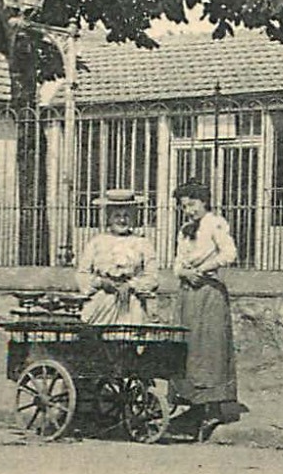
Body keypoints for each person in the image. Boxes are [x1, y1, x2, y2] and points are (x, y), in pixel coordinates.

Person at [168, 181, 242, 442]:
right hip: (188, 293)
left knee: (209, 347)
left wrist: (205, 268)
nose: (188, 210)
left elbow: (230, 253)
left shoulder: (215, 224)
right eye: (184, 206)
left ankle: (212, 408)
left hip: (209, 293)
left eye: (192, 204)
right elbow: (176, 263)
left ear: (204, 202)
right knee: (188, 347)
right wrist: (186, 272)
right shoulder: (185, 230)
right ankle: (192, 406)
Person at [74, 189, 158, 325]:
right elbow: (82, 275)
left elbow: (152, 277)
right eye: (117, 216)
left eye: (126, 215)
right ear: (109, 218)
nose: (122, 220)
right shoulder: (96, 242)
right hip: (101, 303)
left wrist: (131, 285)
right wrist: (101, 283)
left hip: (131, 304)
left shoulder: (143, 243)